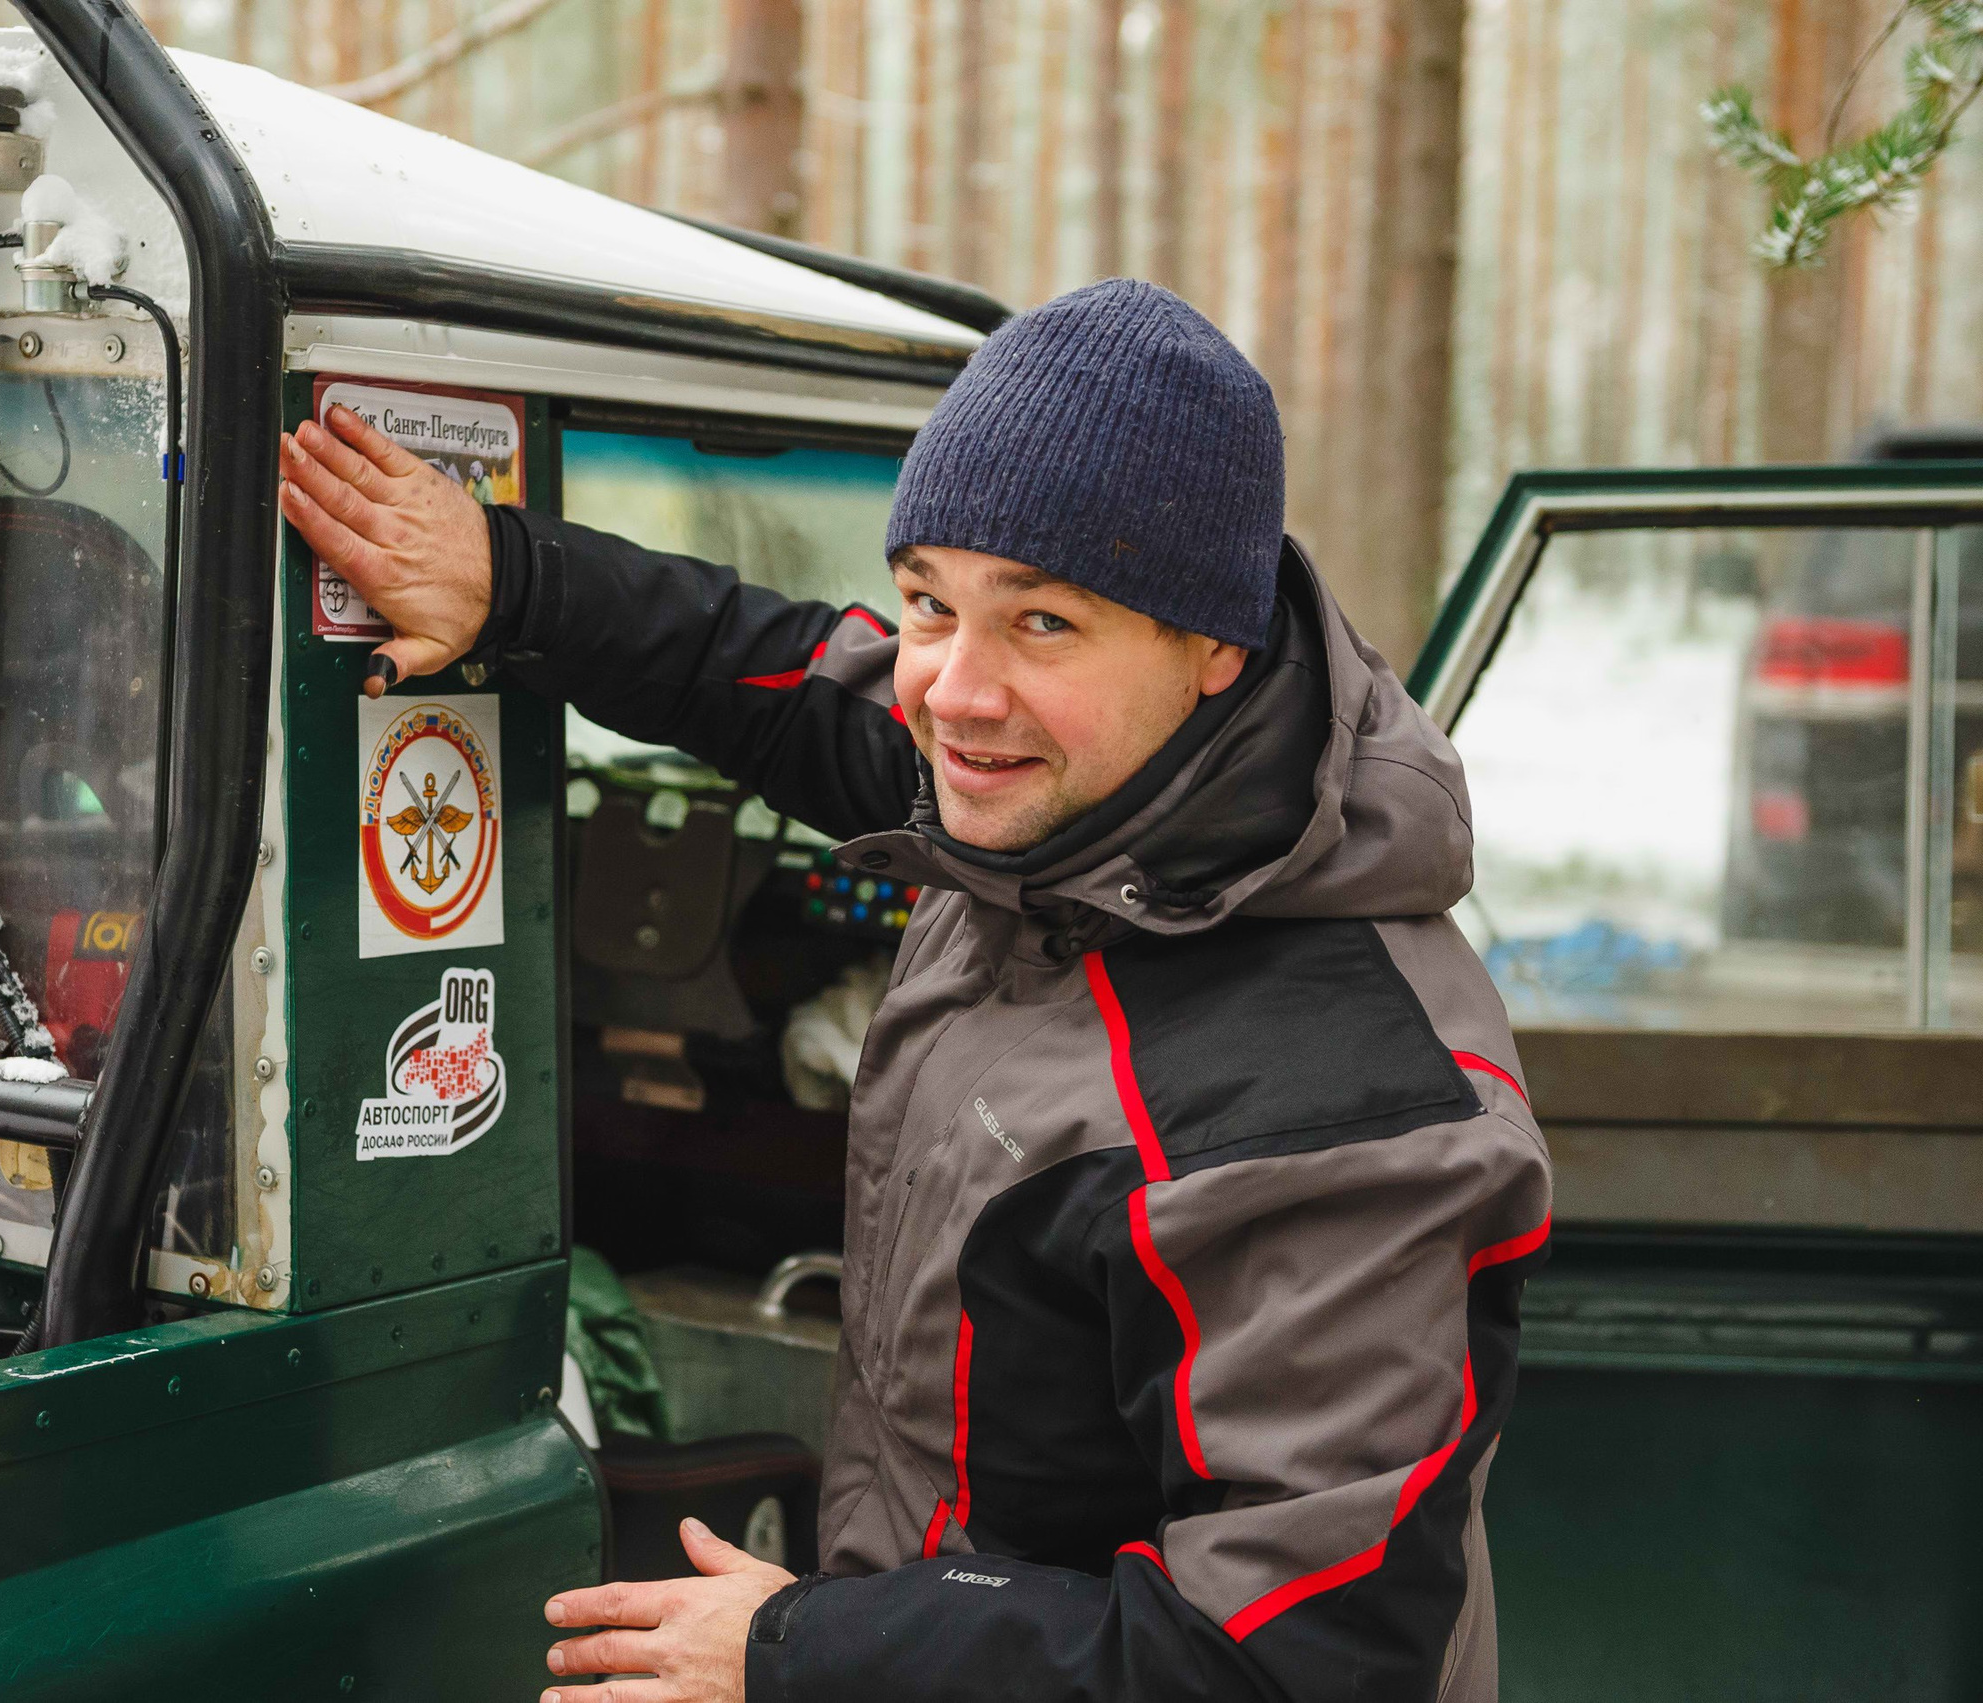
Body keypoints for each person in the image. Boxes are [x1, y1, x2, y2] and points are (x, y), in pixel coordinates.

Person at [279, 279, 1552, 1703]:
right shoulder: (1073, 805)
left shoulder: (1333, 1105)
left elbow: (1285, 1671)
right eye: (931, 600)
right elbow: (783, 677)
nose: (953, 690)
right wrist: (514, 581)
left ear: (1216, 646)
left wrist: (801, 1655)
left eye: (1045, 622)